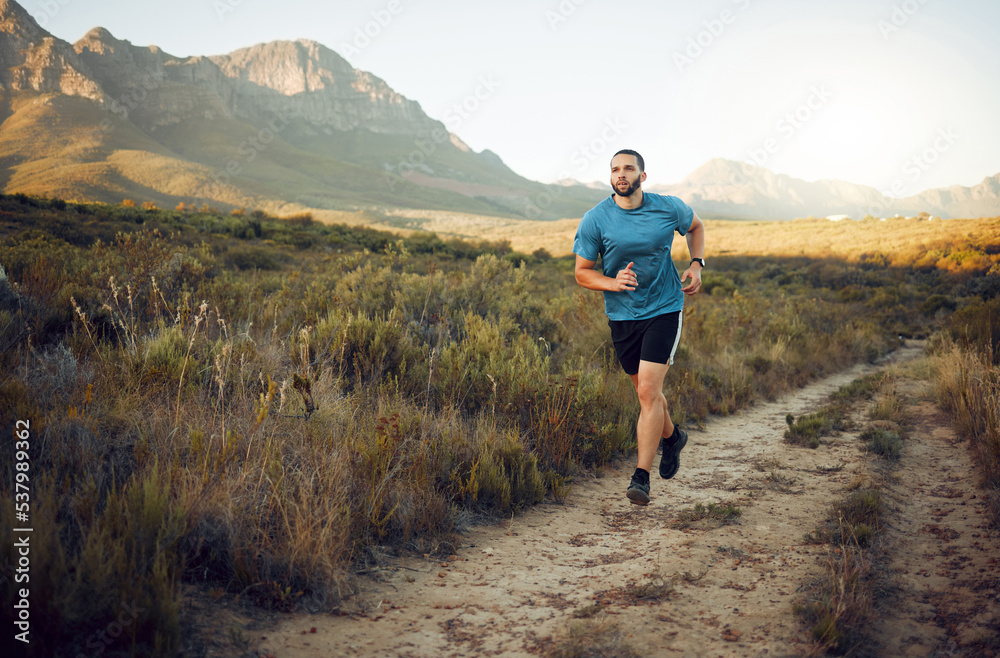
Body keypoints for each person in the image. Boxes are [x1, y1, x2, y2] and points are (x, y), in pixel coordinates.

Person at [572, 149, 705, 505]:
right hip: (622, 316)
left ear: (642, 176)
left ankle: (641, 477)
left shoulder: (667, 207)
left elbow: (695, 226)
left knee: (647, 391)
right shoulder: (595, 220)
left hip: (664, 308)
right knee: (646, 393)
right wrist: (612, 283)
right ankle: (673, 437)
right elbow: (582, 273)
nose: (621, 174)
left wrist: (696, 263)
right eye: (615, 169)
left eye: (628, 168)